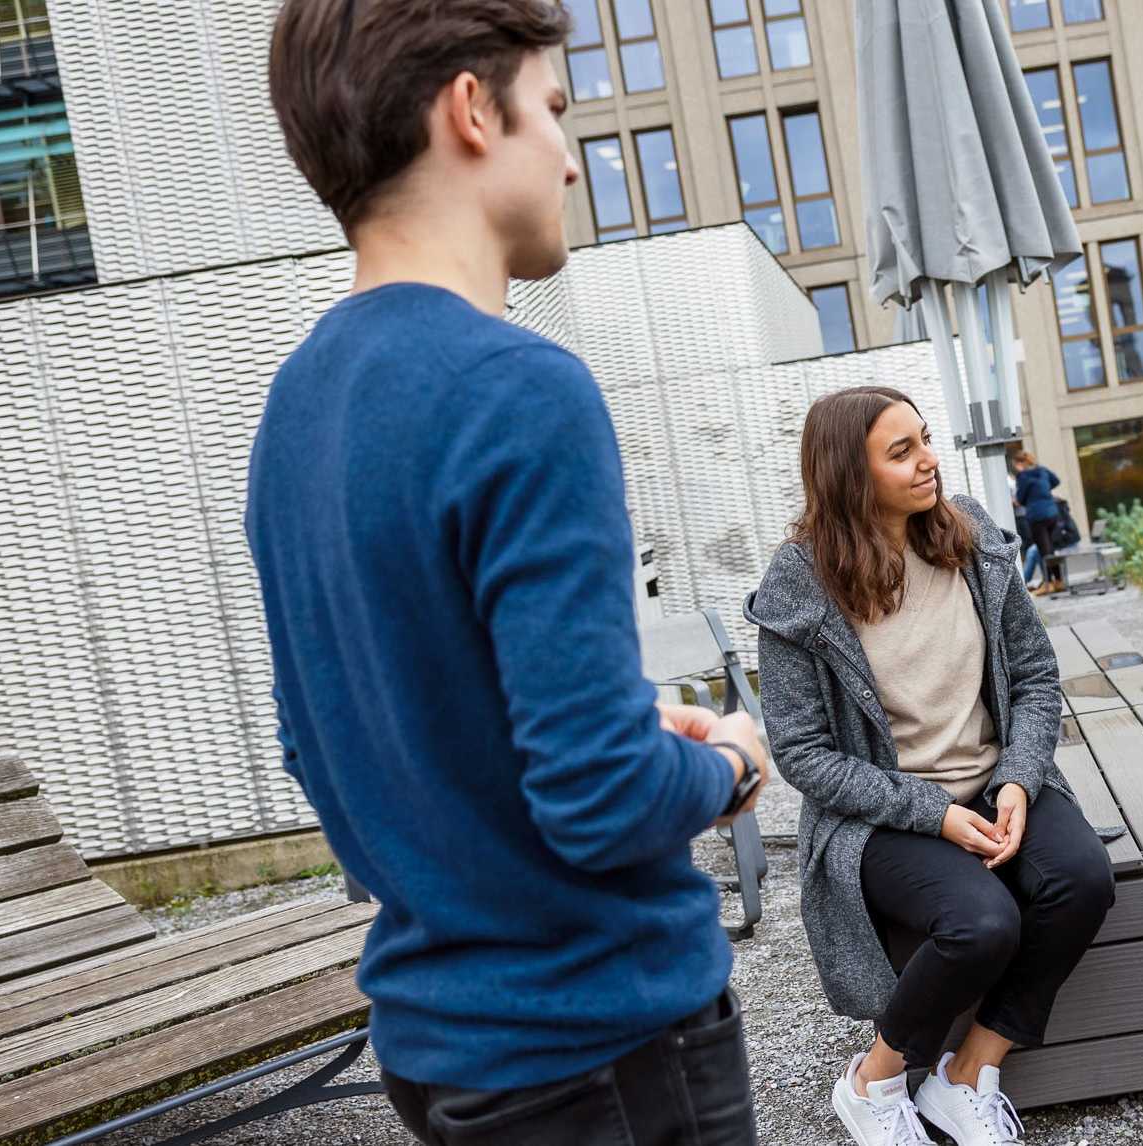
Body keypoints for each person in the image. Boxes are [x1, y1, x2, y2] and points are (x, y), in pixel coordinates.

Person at [252, 2, 768, 1142]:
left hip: (442, 1057)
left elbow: (324, 747)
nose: (573, 157)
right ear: (471, 110)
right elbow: (597, 801)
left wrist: (628, 724)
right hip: (604, 1048)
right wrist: (727, 763)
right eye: (556, 109)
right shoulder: (520, 389)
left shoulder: (294, 410)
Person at [746, 387, 1116, 1146]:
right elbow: (803, 754)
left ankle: (966, 1073)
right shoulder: (801, 580)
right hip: (882, 812)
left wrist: (1017, 777)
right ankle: (874, 1080)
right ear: (850, 475)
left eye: (925, 439)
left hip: (994, 777)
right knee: (981, 924)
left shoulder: (969, 534)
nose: (928, 461)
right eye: (902, 451)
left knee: (1082, 882)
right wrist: (935, 815)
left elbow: (1036, 675)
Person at [1010, 452, 1066, 594]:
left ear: (1019, 463)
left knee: (1044, 551)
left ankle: (1049, 584)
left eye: (1015, 465)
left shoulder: (1023, 477)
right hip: (1052, 513)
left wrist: (1031, 497)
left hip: (1037, 516)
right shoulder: (1042, 470)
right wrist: (1044, 492)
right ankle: (1058, 581)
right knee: (1050, 549)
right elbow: (1056, 481)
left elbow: (1020, 499)